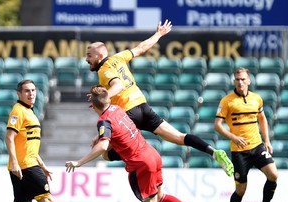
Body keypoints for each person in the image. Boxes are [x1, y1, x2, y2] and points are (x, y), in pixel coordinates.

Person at [65, 85, 208, 202]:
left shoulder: (103, 121)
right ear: (108, 100)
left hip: (141, 164)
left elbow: (103, 145)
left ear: (93, 107)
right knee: (160, 197)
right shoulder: (117, 109)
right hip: (152, 154)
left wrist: (79, 162)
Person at [85, 19, 234, 177]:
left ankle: (143, 156)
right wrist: (158, 34)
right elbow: (141, 48)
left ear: (100, 55)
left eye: (89, 55)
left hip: (128, 114)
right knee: (178, 137)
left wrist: (101, 97)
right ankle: (213, 152)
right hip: (142, 106)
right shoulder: (118, 58)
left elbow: (118, 86)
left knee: (105, 154)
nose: (86, 59)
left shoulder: (104, 70)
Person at [214, 67, 279, 202]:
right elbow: (217, 125)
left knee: (273, 175)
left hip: (257, 146)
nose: (240, 82)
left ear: (248, 81)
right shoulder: (227, 101)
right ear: (234, 81)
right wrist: (233, 136)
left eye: (243, 79)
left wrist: (267, 140)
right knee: (241, 189)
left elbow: (262, 118)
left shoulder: (256, 99)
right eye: (237, 79)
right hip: (239, 152)